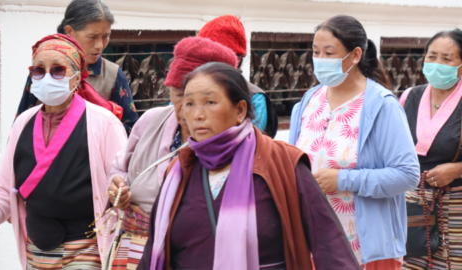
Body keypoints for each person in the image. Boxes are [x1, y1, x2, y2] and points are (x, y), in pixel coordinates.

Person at [138, 62, 360, 270]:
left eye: (210, 102)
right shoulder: (178, 172)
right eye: (189, 103)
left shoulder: (282, 163)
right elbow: (152, 254)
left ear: (240, 111)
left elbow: (330, 244)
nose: (197, 115)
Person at [0, 34, 127, 269]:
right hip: (36, 248)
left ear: (76, 78)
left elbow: (123, 181)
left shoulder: (103, 123)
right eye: (38, 70)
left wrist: (120, 191)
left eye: (58, 70)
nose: (47, 77)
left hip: (87, 249)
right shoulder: (23, 123)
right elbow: (2, 190)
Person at [289, 15, 420, 269]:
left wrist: (342, 180)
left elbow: (407, 174)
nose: (320, 60)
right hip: (312, 243)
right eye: (316, 52)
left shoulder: (382, 105)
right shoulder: (308, 101)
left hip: (365, 250)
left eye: (329, 52)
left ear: (356, 55)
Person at [106, 37, 241, 269]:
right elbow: (121, 168)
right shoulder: (150, 121)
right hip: (135, 250)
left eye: (205, 100)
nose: (186, 108)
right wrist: (118, 187)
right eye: (178, 94)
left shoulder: (238, 146)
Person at [17, 0, 138, 134]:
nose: (100, 45)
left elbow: (131, 129)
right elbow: (21, 125)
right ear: (69, 31)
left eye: (106, 36)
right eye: (92, 37)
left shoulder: (113, 75)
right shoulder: (43, 72)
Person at [400, 29, 462, 270]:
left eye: (447, 59)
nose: (438, 64)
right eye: (432, 56)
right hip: (412, 205)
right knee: (411, 264)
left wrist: (457, 170)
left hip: (455, 207)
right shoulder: (408, 98)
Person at [198, 15, 279, 138]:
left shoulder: (254, 98)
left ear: (237, 59)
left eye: (211, 57)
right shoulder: (187, 90)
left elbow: (251, 144)